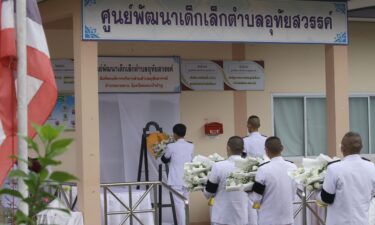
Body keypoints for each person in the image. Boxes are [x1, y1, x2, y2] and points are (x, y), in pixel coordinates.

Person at [317, 132, 375, 225]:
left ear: (342, 148)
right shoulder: (372, 167)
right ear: (361, 148)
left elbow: (326, 199)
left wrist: (317, 191)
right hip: (362, 222)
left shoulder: (334, 168)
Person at [250, 136, 297, 225]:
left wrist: (247, 192)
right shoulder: (293, 167)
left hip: (268, 220)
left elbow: (256, 198)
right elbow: (294, 193)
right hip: (288, 219)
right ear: (282, 148)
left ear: (266, 151)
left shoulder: (263, 169)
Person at [204, 136, 249, 225]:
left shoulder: (218, 166)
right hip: (241, 217)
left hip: (221, 217)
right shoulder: (250, 167)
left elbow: (208, 193)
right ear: (243, 149)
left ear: (228, 148)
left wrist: (202, 185)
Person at [161, 123, 194, 225]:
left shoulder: (171, 146)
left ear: (174, 134)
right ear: (184, 133)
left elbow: (164, 159)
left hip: (176, 180)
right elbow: (192, 159)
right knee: (186, 203)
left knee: (179, 205)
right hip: (188, 179)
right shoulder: (191, 145)